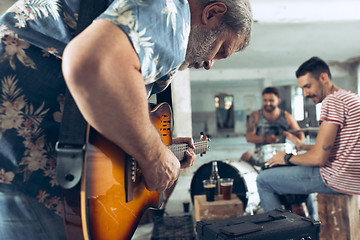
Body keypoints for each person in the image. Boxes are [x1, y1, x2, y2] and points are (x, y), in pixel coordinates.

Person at [0, 0, 253, 239]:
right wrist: (153, 156)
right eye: (220, 50)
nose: (209, 63)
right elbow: (91, 64)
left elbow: (104, 101)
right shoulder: (171, 12)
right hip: (28, 167)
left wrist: (156, 145)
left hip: (21, 162)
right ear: (212, 13)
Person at [256, 56, 360, 220]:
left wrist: (287, 158)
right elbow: (339, 146)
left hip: (339, 178)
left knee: (264, 180)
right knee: (300, 168)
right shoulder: (351, 97)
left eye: (308, 86)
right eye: (302, 89)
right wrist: (303, 147)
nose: (305, 93)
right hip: (353, 177)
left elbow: (319, 158)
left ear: (323, 78)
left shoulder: (331, 101)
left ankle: (279, 233)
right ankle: (310, 226)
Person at [241, 87, 305, 165]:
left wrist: (299, 146)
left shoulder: (286, 116)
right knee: (244, 157)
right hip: (260, 154)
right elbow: (249, 137)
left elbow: (300, 134)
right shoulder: (255, 116)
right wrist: (266, 139)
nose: (268, 104)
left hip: (280, 155)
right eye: (265, 100)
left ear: (278, 101)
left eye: (271, 100)